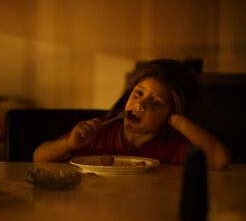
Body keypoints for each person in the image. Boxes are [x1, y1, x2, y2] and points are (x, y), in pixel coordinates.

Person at [33, 59, 231, 170]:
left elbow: (219, 159)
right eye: (138, 93)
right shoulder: (101, 131)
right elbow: (39, 157)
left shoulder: (172, 148)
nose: (140, 105)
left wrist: (177, 120)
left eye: (156, 103)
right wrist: (69, 144)